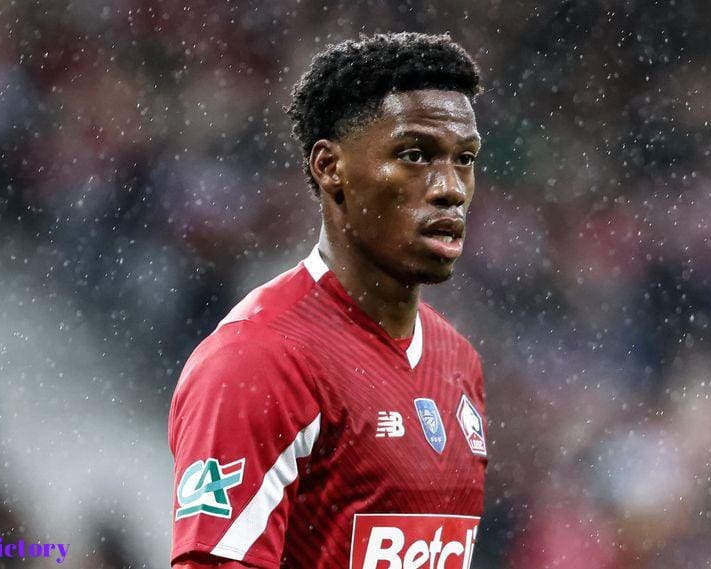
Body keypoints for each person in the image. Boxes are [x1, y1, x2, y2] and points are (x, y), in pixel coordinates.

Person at [169, 32, 487, 569]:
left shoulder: (459, 363)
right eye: (415, 155)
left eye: (465, 159)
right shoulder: (259, 359)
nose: (450, 188)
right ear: (329, 167)